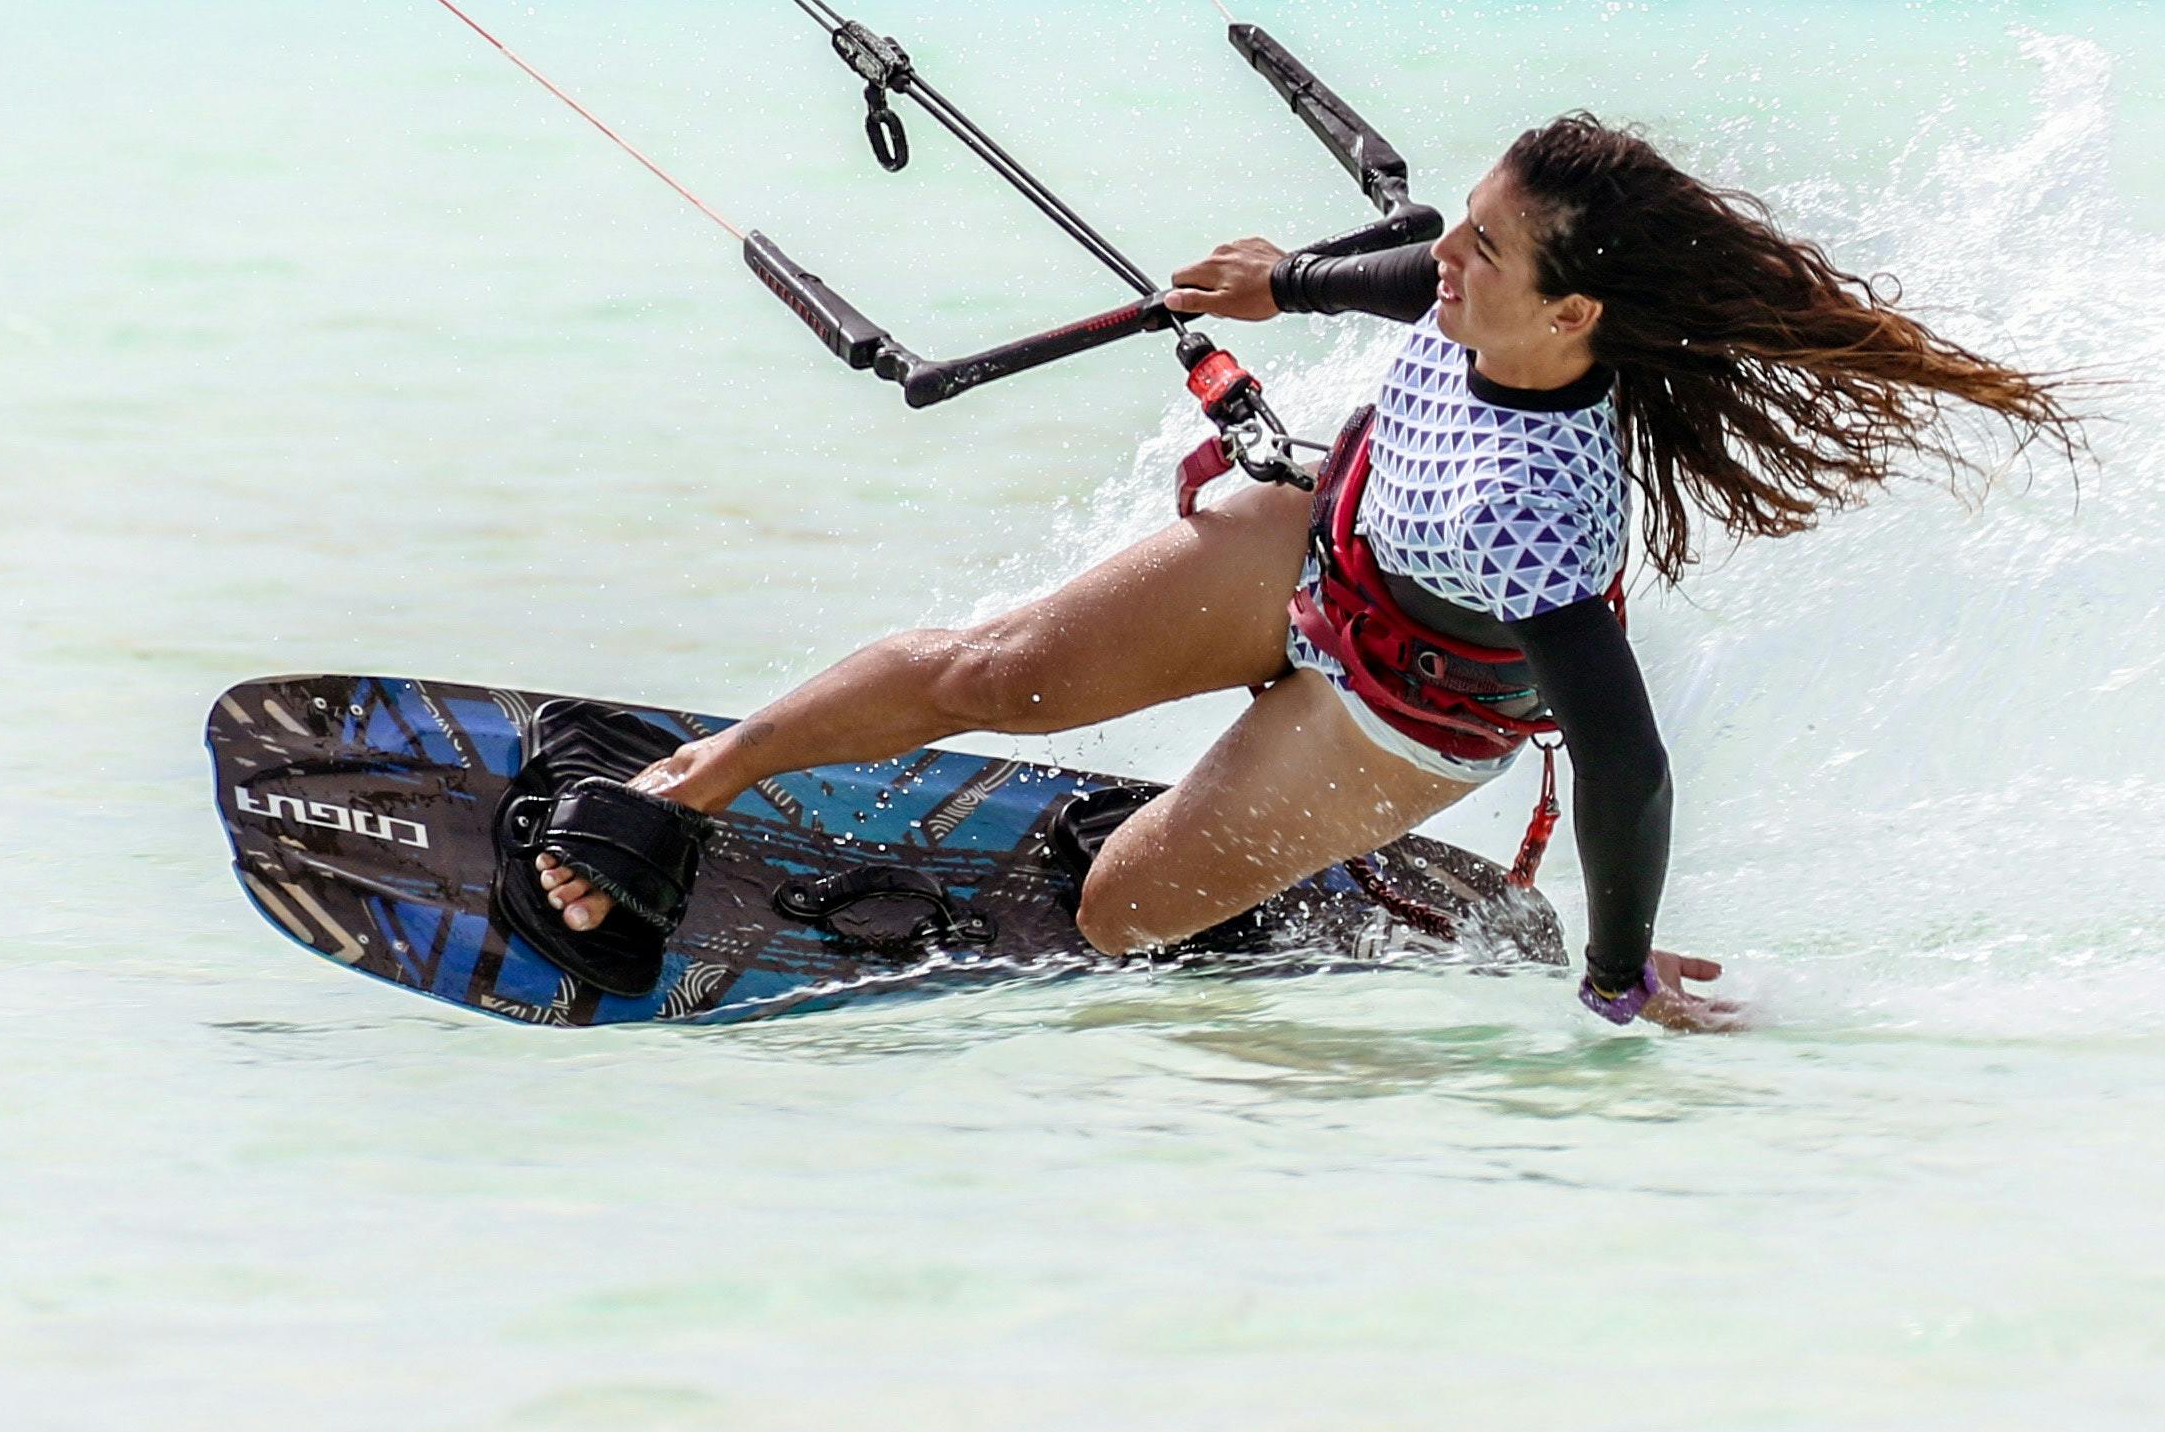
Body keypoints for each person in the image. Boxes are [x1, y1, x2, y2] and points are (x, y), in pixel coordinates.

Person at [530, 114, 2073, 1029]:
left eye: (1483, 251)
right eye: (1461, 226)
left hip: (1400, 710)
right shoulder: (1488, 299)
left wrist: (1611, 976)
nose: (1441, 257)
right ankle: (686, 787)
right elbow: (1414, 264)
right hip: (1323, 543)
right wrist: (1289, 283)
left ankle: (1326, 884)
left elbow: (1625, 759)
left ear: (1573, 317)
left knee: (1123, 921)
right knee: (988, 672)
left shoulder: (1543, 502)